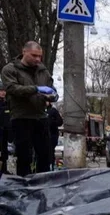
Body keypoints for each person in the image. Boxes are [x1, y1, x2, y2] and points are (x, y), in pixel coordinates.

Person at [1, 41, 58, 177]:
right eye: (34, 55)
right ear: (24, 52)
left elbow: (51, 88)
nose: (38, 59)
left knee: (45, 155)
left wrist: (53, 96)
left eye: (40, 56)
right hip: (21, 117)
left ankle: (44, 182)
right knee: (24, 157)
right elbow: (12, 88)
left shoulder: (43, 71)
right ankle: (25, 183)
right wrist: (35, 89)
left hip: (41, 117)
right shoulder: (10, 69)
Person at [46, 102, 63, 170]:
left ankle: (51, 166)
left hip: (52, 135)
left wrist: (52, 122)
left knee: (50, 151)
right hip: (42, 134)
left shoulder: (53, 111)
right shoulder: (39, 110)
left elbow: (60, 122)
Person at [0, 88, 9, 174]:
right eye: (1, 91)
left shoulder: (7, 103)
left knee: (4, 152)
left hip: (5, 132)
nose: (3, 93)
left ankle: (4, 170)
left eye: (4, 91)